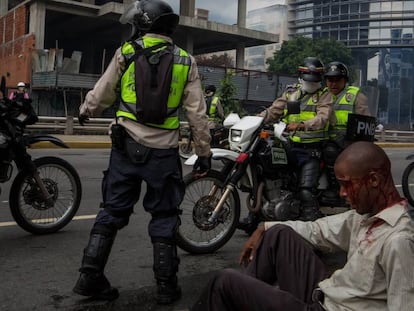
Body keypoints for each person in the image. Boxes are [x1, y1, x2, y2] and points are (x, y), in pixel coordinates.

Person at [72, 0, 211, 305]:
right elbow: (197, 113)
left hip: (125, 148)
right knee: (164, 216)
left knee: (111, 212)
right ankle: (166, 287)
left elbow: (104, 90)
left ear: (144, 23)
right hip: (163, 153)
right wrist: (204, 151)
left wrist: (86, 110)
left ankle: (89, 277)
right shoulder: (186, 61)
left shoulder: (128, 51)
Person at [192, 141, 414, 311]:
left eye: (347, 185)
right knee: (278, 234)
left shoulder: (398, 241)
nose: (342, 193)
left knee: (224, 283)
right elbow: (318, 231)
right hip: (325, 294)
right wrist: (265, 226)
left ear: (373, 180)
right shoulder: (365, 216)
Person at [238, 56, 333, 231]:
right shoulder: (291, 93)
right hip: (289, 145)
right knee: (264, 174)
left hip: (311, 150)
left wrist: (303, 125)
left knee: (305, 191)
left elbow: (323, 118)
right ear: (300, 76)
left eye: (315, 79)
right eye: (309, 79)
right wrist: (254, 120)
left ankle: (312, 228)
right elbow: (273, 111)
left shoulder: (324, 95)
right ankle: (255, 217)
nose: (312, 83)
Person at [323, 61, 371, 200]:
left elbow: (364, 122)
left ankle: (336, 188)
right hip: (323, 136)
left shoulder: (355, 95)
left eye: (337, 80)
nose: (333, 84)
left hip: (347, 139)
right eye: (330, 80)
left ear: (345, 81)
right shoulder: (321, 94)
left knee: (331, 153)